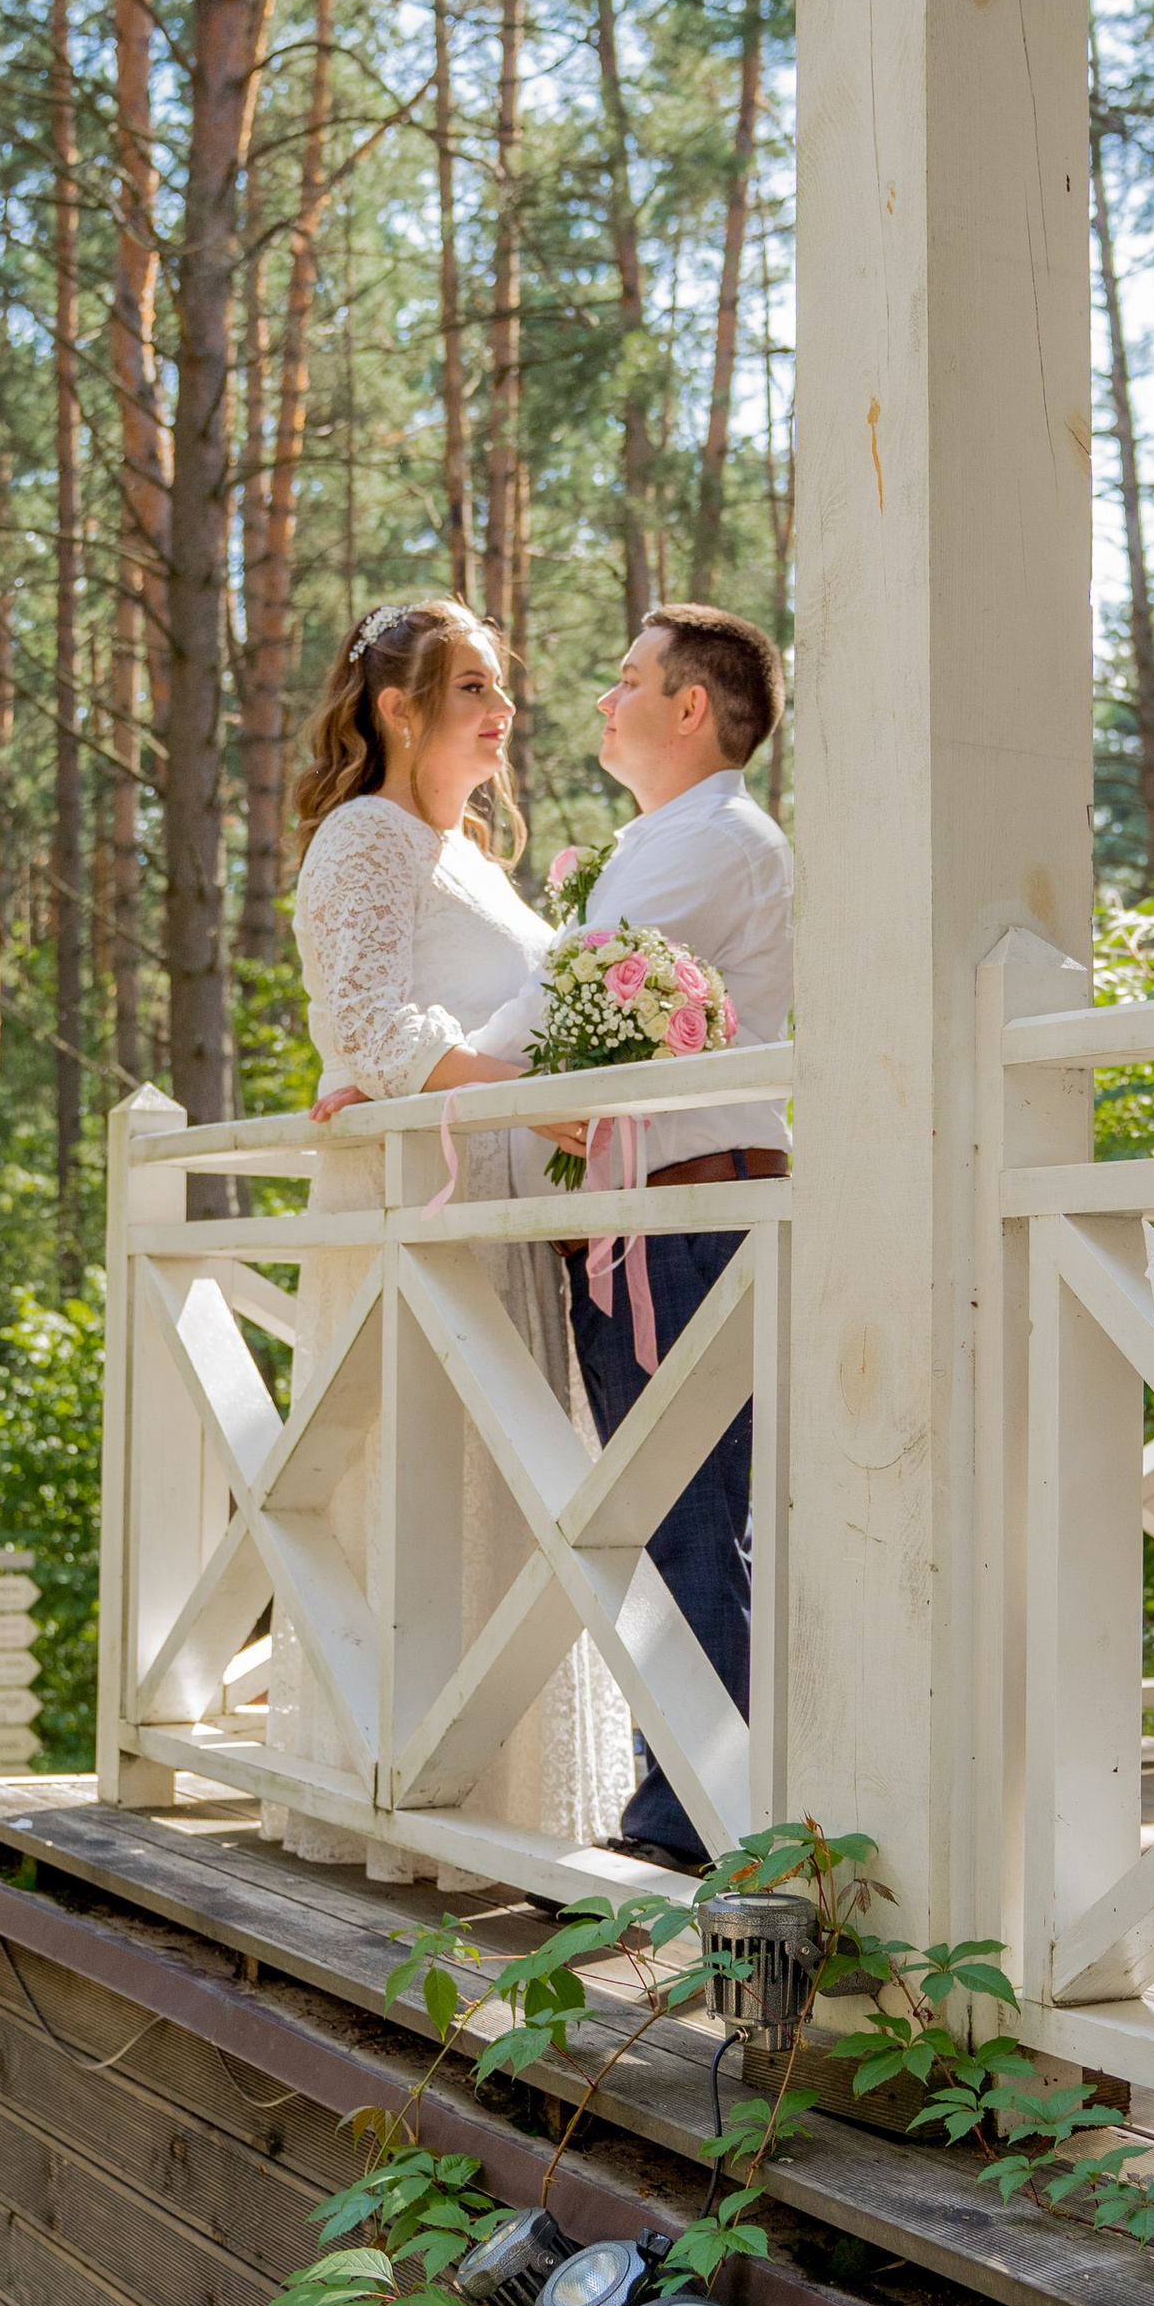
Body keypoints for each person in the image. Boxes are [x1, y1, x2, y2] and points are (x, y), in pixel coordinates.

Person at [264, 597, 634, 1881]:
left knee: (509, 1482)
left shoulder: (468, 852)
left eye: (501, 685)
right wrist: (517, 1096)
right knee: (416, 1479)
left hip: (495, 1193)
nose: (503, 711)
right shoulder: (363, 837)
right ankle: (400, 1797)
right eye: (471, 686)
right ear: (395, 707)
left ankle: (495, 1801)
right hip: (416, 1200)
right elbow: (368, 1022)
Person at [466, 605, 792, 1862]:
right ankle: (697, 1805)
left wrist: (424, 1073)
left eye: (626, 679)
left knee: (683, 1514)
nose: (604, 700)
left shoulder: (710, 843)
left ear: (690, 708)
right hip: (651, 1208)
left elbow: (561, 997)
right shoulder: (669, 841)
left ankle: (688, 1823)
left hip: (686, 1210)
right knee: (666, 1516)